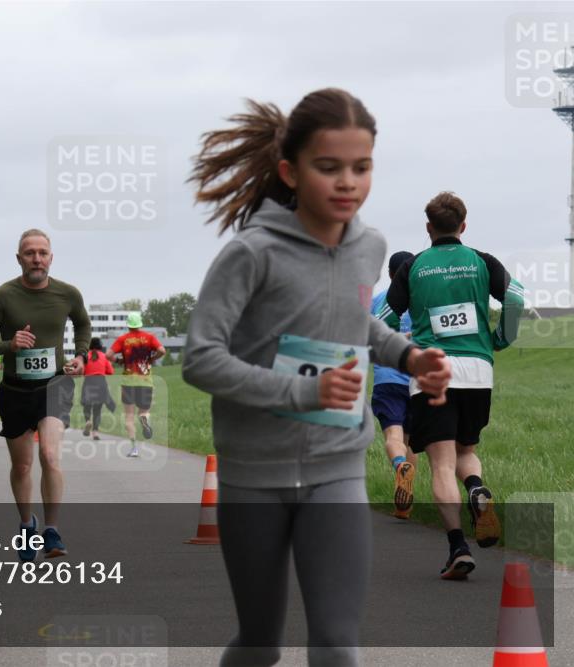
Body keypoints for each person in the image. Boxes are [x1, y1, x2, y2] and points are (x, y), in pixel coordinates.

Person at [182, 88, 450, 666]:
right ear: (290, 171)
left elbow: (356, 326)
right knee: (260, 644)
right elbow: (200, 357)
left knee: (336, 644)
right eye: (329, 168)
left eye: (362, 167)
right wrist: (303, 391)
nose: (348, 182)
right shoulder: (252, 254)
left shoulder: (369, 247)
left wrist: (409, 357)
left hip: (337, 467)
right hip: (254, 475)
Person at [381, 191, 524, 580]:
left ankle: (458, 547)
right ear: (463, 225)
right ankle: (477, 489)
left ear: (429, 228)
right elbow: (516, 295)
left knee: (441, 464)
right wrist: (500, 338)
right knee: (467, 451)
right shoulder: (482, 261)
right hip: (478, 370)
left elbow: (383, 317)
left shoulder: (413, 267)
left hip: (432, 372)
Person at [0, 228, 91, 562]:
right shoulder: (3, 296)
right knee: (22, 467)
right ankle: (27, 524)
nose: (36, 258)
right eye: (29, 253)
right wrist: (9, 345)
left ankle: (51, 531)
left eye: (42, 252)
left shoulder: (67, 294)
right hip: (15, 389)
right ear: (19, 258)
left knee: (50, 455)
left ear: (51, 257)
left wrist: (80, 355)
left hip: (55, 384)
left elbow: (83, 325)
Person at [371, 251, 419, 519]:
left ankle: (399, 466)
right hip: (418, 381)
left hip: (387, 378)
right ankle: (405, 507)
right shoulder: (423, 300)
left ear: (391, 274)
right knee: (412, 441)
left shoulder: (378, 301)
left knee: (394, 437)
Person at [107, 313, 165, 458]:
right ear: (140, 324)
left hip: (128, 382)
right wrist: (152, 358)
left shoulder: (123, 339)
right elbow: (162, 350)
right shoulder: (149, 337)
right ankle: (144, 419)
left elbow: (108, 355)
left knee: (129, 418)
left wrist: (120, 361)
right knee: (144, 411)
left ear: (128, 325)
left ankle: (134, 449)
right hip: (145, 381)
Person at [80, 337, 114, 441]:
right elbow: (111, 371)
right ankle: (95, 432)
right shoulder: (104, 356)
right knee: (97, 410)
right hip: (101, 383)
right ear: (100, 346)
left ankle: (87, 421)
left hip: (89, 383)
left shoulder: (86, 357)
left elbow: (82, 371)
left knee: (87, 405)